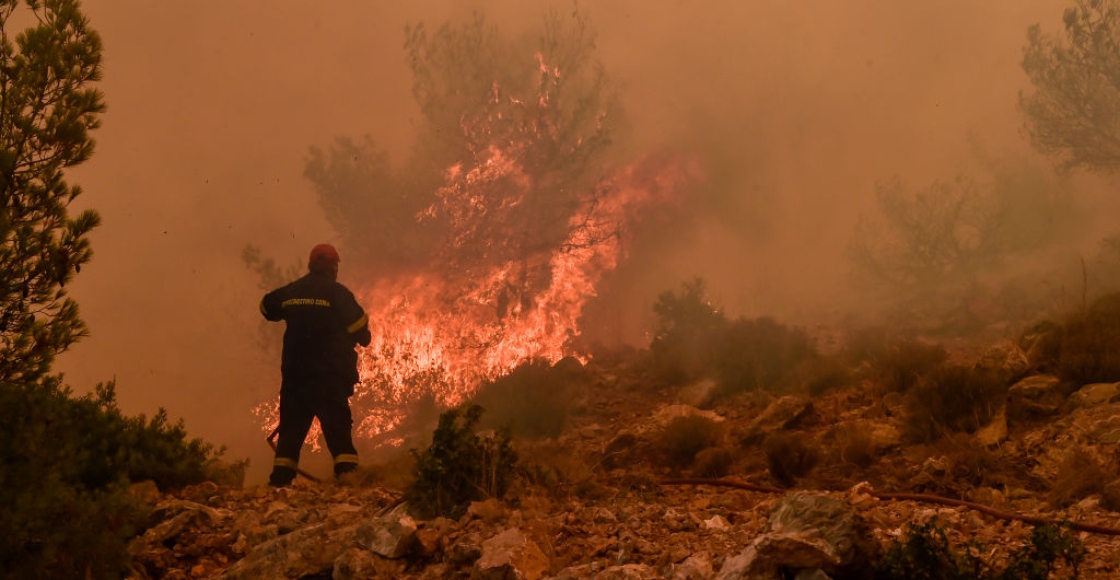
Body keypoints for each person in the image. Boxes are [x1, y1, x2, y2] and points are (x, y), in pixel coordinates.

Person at [259, 243, 372, 487]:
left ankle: (278, 486)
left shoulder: (293, 291)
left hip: (295, 379)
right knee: (338, 432)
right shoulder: (338, 294)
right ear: (334, 268)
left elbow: (266, 306)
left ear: (311, 266)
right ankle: (348, 482)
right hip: (328, 378)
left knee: (290, 435)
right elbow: (362, 333)